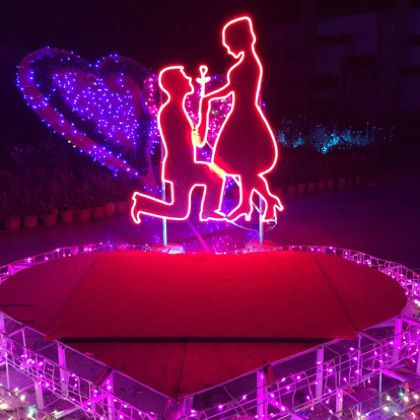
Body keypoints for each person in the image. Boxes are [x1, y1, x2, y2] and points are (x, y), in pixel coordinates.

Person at [196, 16, 283, 222]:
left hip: (245, 119)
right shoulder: (249, 62)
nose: (228, 48)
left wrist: (208, 98)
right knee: (246, 166)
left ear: (239, 39)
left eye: (230, 43)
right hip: (245, 116)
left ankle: (258, 202)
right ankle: (254, 203)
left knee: (243, 164)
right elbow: (231, 89)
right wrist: (208, 98)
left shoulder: (246, 65)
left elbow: (230, 89)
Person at [131, 66, 225, 223]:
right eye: (183, 77)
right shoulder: (171, 111)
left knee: (179, 211)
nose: (188, 79)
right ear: (175, 85)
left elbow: (197, 141)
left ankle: (142, 203)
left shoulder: (178, 110)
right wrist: (202, 116)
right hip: (181, 166)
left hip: (181, 166)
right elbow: (189, 142)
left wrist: (203, 115)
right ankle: (209, 212)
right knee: (215, 178)